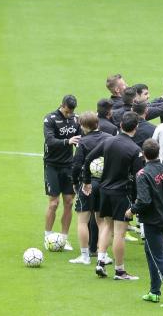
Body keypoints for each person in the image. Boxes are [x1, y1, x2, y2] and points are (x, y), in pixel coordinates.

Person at [83, 111, 144, 280]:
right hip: (120, 194)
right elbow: (139, 178)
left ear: (121, 125)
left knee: (106, 226)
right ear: (136, 128)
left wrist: (87, 181)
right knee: (119, 233)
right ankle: (120, 271)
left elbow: (88, 158)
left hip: (104, 191)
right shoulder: (135, 150)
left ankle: (100, 262)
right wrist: (137, 201)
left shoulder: (108, 141)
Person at [126, 138, 163, 308]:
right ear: (158, 152)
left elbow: (144, 201)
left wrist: (131, 210)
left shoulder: (143, 174)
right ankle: (154, 291)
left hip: (152, 220)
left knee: (159, 257)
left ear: (143, 154)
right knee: (150, 251)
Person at [70, 111, 113, 265]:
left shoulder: (83, 142)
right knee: (102, 222)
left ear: (83, 126)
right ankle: (103, 255)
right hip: (105, 185)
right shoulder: (109, 138)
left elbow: (76, 165)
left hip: (87, 184)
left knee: (83, 220)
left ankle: (85, 256)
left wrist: (75, 182)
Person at [43, 94, 81, 251]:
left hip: (68, 166)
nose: (69, 114)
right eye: (67, 111)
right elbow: (50, 141)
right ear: (62, 105)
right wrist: (67, 141)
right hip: (52, 165)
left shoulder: (76, 119)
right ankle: (48, 236)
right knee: (53, 203)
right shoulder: (50, 119)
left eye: (71, 112)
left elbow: (81, 139)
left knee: (69, 202)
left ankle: (64, 239)